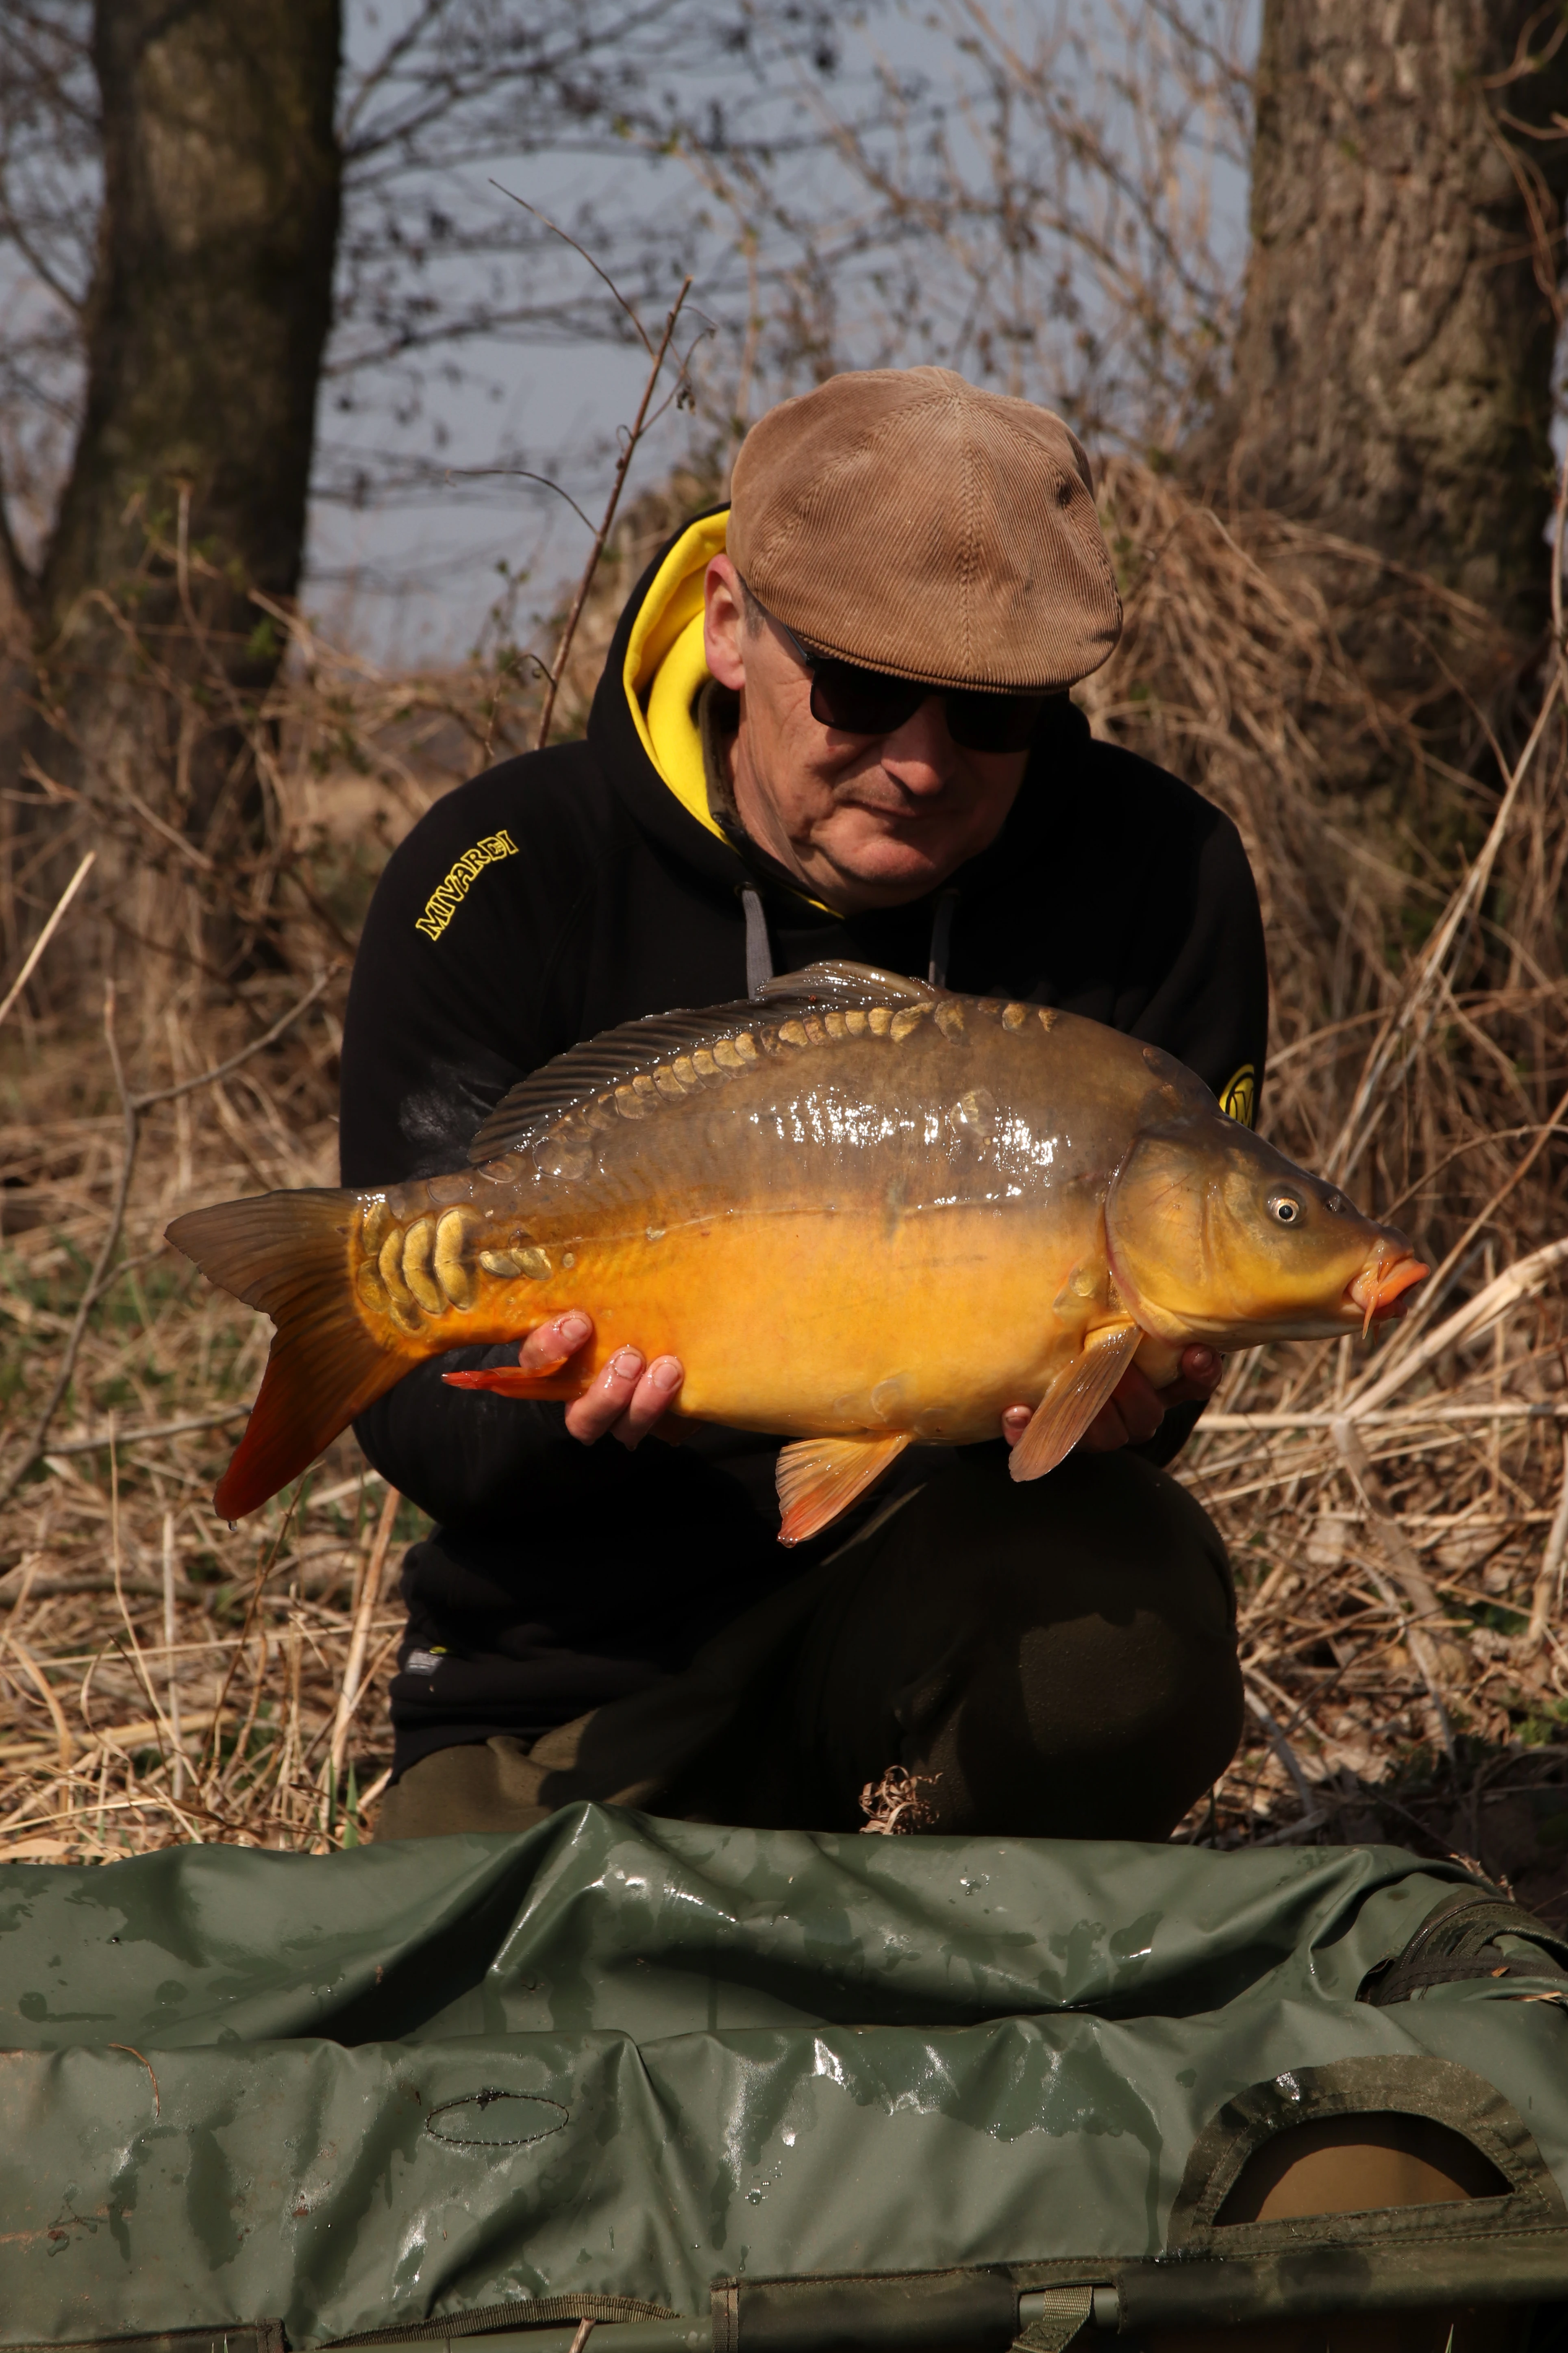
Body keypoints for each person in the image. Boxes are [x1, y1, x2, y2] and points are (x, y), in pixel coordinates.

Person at [342, 366, 1267, 1844]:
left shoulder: (1163, 881)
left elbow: (1128, 1420)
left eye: (993, 713)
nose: (918, 763)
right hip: (566, 1671)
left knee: (1123, 1631)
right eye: (856, 689)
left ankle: (924, 1895)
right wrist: (577, 1417)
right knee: (495, 2044)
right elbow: (421, 1431)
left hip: (942, 1606)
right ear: (726, 623)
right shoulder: (502, 874)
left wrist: (1131, 1403)